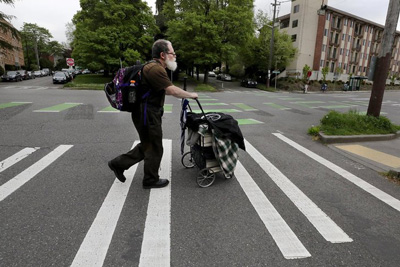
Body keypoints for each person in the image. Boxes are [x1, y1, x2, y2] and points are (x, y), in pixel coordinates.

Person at [108, 39, 198, 189]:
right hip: (146, 113)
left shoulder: (153, 67)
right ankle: (150, 179)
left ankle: (118, 164)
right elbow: (171, 90)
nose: (174, 56)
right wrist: (190, 95)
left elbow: (162, 89)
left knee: (148, 144)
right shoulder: (155, 69)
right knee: (155, 146)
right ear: (163, 55)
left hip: (145, 112)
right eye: (172, 53)